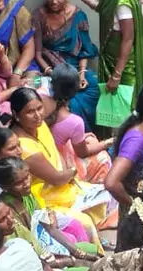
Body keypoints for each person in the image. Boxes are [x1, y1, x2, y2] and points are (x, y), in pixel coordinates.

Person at [8, 87, 104, 246]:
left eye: (39, 108)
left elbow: (56, 155)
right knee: (84, 222)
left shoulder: (39, 126)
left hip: (63, 184)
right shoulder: (22, 146)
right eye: (30, 112)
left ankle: (95, 239)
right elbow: (56, 179)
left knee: (103, 192)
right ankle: (90, 251)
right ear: (16, 115)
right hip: (45, 198)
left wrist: (68, 172)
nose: (38, 115)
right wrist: (72, 172)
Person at [33, 0, 101, 127]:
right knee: (66, 99)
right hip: (50, 67)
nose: (54, 1)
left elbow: (85, 50)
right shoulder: (38, 16)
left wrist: (81, 74)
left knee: (94, 87)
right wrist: (52, 72)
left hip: (75, 68)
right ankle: (72, 135)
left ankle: (87, 134)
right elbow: (37, 53)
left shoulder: (78, 15)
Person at [49, 64, 114, 183]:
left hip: (47, 148)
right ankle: (97, 188)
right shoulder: (74, 121)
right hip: (58, 161)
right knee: (103, 157)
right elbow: (83, 153)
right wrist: (107, 142)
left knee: (90, 138)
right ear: (76, 90)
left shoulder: (42, 100)